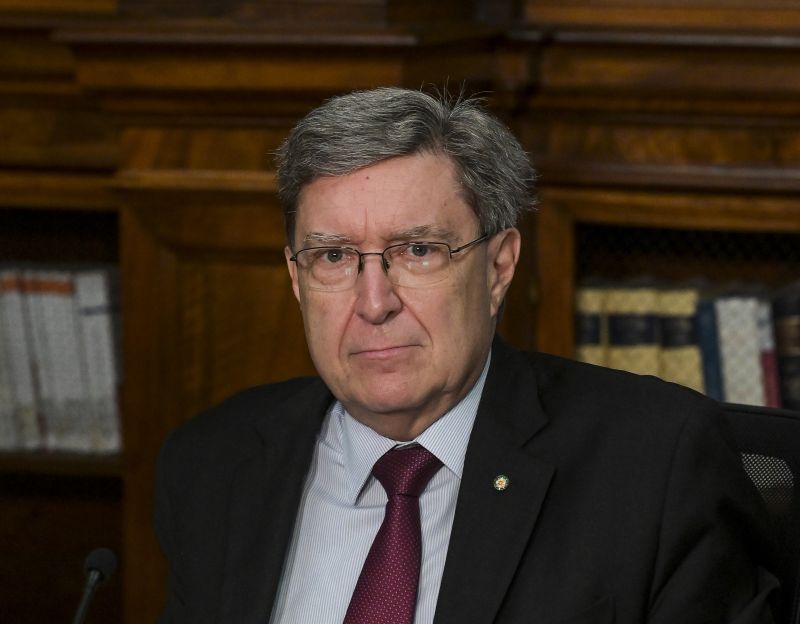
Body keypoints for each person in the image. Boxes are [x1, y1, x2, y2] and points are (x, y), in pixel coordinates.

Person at [154, 87, 778, 623]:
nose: (374, 303)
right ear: (297, 278)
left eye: (418, 250)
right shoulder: (213, 464)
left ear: (499, 267)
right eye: (334, 256)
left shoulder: (653, 464)